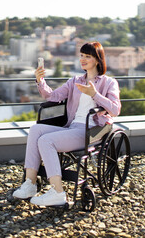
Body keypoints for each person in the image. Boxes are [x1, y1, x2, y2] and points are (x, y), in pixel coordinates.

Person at [12, 41, 121, 207]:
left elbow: (115, 109)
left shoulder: (109, 83)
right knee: (35, 130)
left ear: (97, 60)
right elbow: (53, 96)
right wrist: (40, 80)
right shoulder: (75, 80)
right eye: (82, 56)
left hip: (91, 131)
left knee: (46, 141)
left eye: (88, 56)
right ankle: (30, 184)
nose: (83, 59)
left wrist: (95, 94)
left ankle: (57, 193)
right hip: (72, 127)